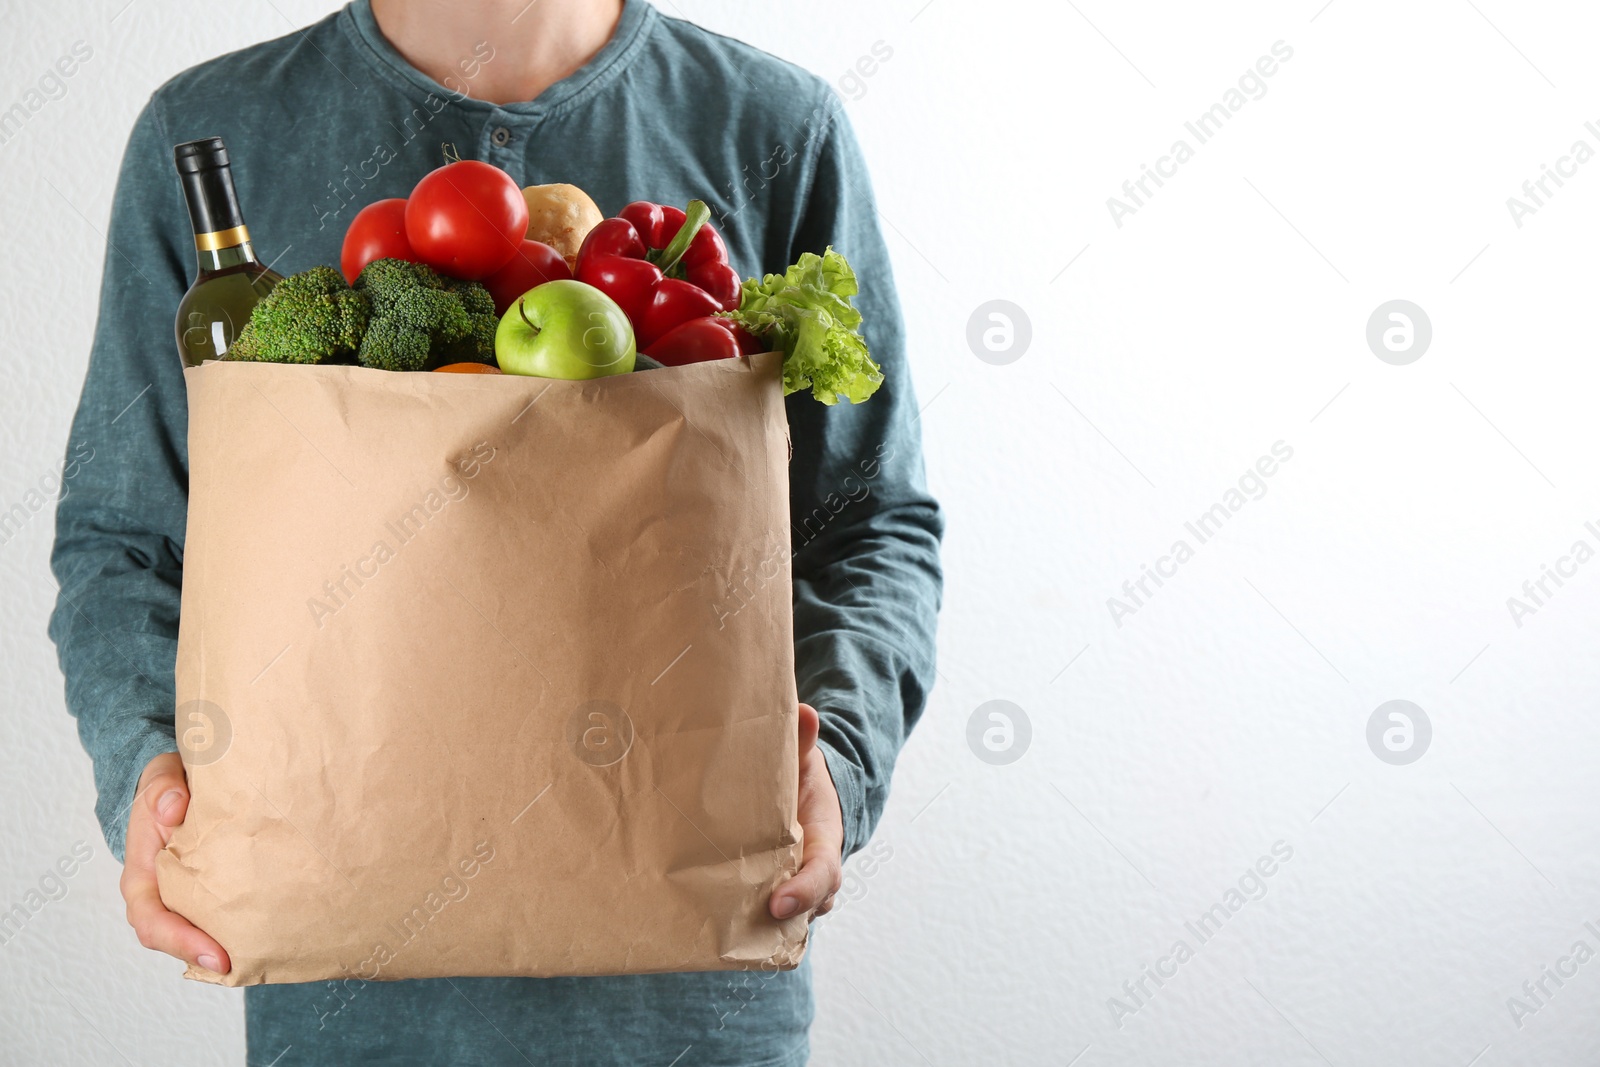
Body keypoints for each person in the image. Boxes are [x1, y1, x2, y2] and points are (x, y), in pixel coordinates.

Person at [48, 0, 942, 1062]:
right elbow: (124, 538)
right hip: (343, 1004)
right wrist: (148, 773)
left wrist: (834, 754)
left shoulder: (776, 125)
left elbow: (872, 523)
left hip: (693, 1002)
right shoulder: (212, 129)